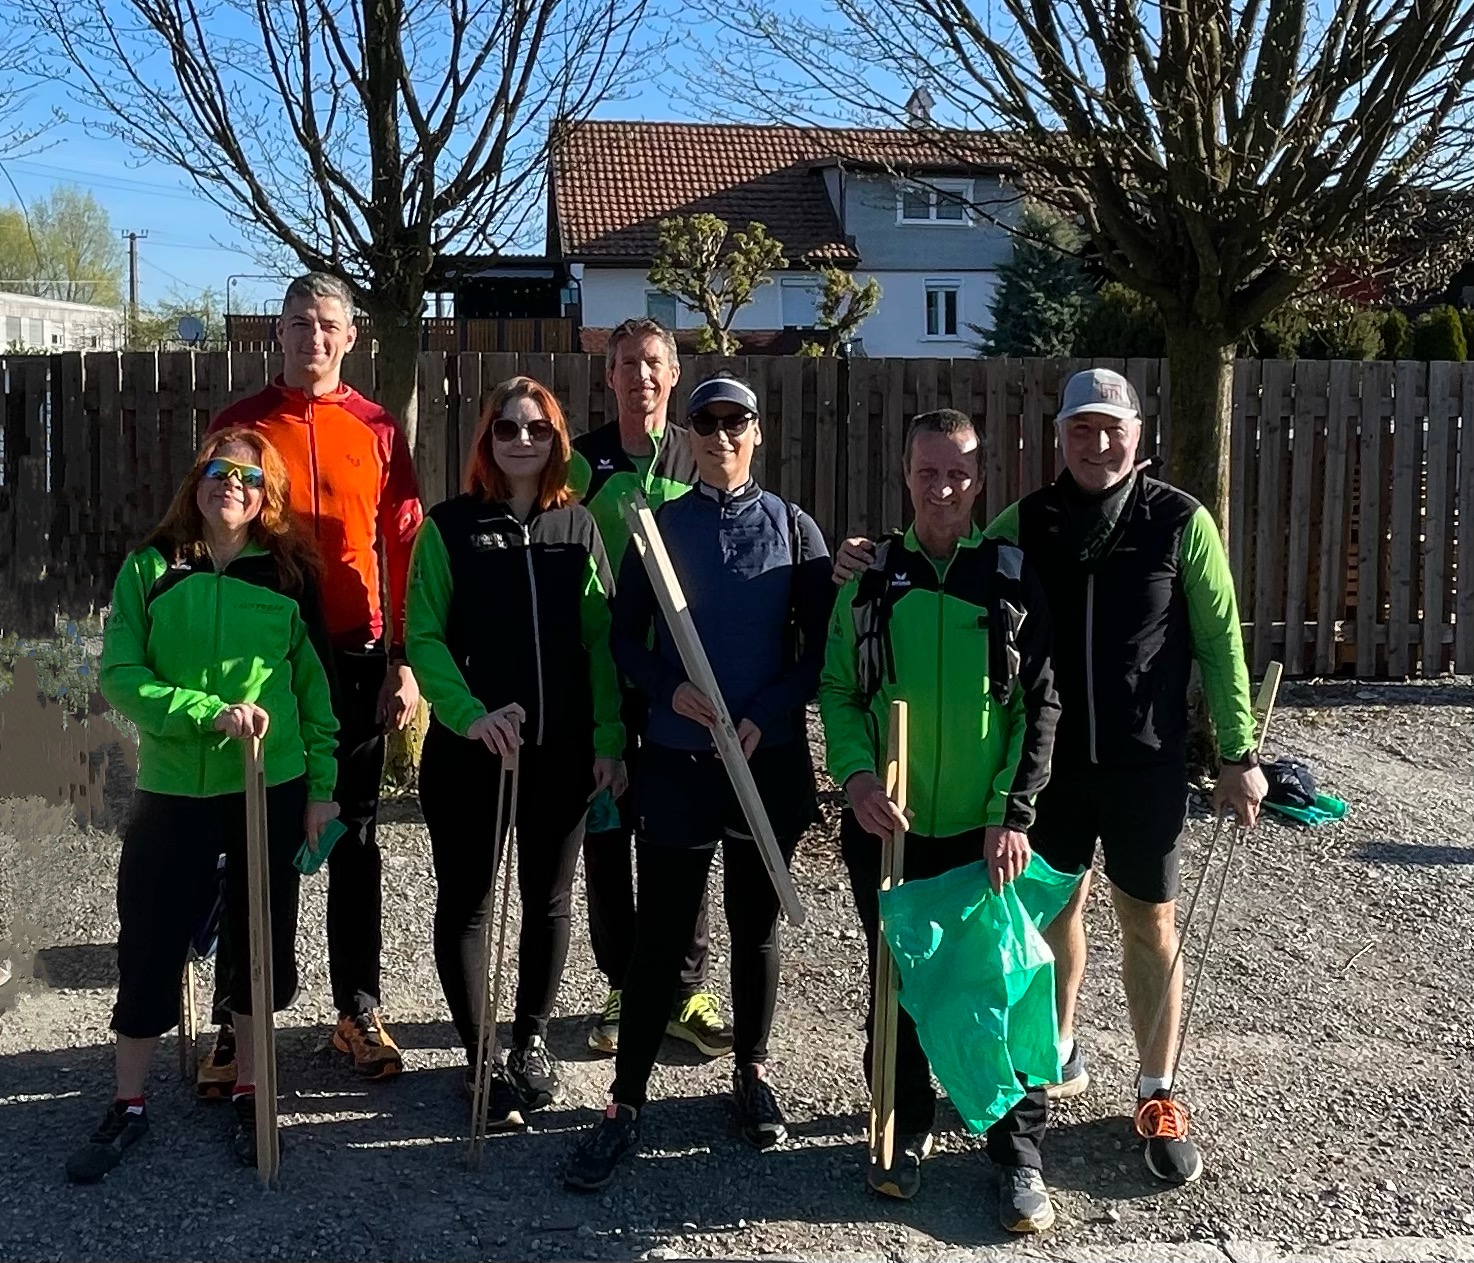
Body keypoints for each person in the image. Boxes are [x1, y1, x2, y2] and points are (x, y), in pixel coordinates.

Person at [834, 369, 1268, 1188]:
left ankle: (1156, 1089)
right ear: (1059, 437)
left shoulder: (1181, 521)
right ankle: (1054, 1050)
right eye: (1081, 430)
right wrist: (868, 556)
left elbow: (1220, 639)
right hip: (1051, 769)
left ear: (1139, 434)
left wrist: (1239, 754)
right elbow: (944, 529)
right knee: (1043, 920)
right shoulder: (1027, 519)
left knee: (1148, 923)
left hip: (1145, 764)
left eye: (1112, 429)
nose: (1097, 444)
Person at [563, 375, 834, 1192]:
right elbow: (624, 638)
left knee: (755, 928)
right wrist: (663, 687)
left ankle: (750, 1072)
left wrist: (768, 711)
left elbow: (816, 656)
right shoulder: (658, 529)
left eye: (736, 421)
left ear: (759, 430)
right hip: (679, 760)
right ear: (688, 433)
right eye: (707, 422)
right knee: (661, 935)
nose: (721, 435)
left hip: (765, 759)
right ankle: (625, 1101)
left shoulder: (795, 530)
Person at [66, 429, 339, 1183]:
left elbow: (316, 696)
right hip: (173, 790)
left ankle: (253, 1090)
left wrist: (322, 791)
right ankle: (127, 1103)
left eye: (250, 478)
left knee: (260, 942)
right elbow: (120, 674)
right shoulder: (152, 568)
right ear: (197, 482)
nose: (232, 486)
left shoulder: (288, 574)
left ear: (267, 496)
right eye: (219, 471)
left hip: (266, 783)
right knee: (148, 938)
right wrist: (203, 710)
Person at [819, 409, 1061, 1231]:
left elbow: (1040, 702)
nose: (943, 487)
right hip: (891, 823)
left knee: (996, 982)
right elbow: (840, 692)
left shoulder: (1008, 574)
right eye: (928, 472)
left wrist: (1011, 811)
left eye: (958, 472)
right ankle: (903, 1126)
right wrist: (854, 777)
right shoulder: (871, 576)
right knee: (900, 985)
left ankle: (1017, 1153)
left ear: (978, 477)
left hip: (984, 829)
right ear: (906, 473)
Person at [198, 272, 424, 1087]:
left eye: (327, 323)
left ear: (351, 334)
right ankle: (239, 1017)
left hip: (358, 653)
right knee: (259, 835)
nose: (313, 337)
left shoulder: (377, 428)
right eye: (299, 323)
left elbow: (404, 547)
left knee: (354, 835)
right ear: (279, 333)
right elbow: (205, 542)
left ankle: (357, 1008)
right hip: (264, 658)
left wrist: (406, 662)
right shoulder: (239, 425)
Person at [406, 376, 626, 1126]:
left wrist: (607, 738)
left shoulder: (580, 529)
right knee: (467, 903)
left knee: (550, 899)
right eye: (507, 428)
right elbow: (424, 637)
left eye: (537, 428)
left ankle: (530, 1042)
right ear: (486, 440)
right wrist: (468, 714)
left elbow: (600, 644)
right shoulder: (448, 527)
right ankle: (479, 1056)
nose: (523, 440)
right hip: (472, 753)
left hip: (561, 753)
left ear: (557, 439)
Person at [567, 317, 731, 1059]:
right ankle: (624, 979)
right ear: (610, 377)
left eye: (655, 362)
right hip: (603, 679)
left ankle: (685, 985)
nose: (641, 375)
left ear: (673, 374)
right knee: (609, 833)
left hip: (681, 683)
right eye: (628, 362)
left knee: (683, 835)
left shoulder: (699, 453)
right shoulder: (580, 464)